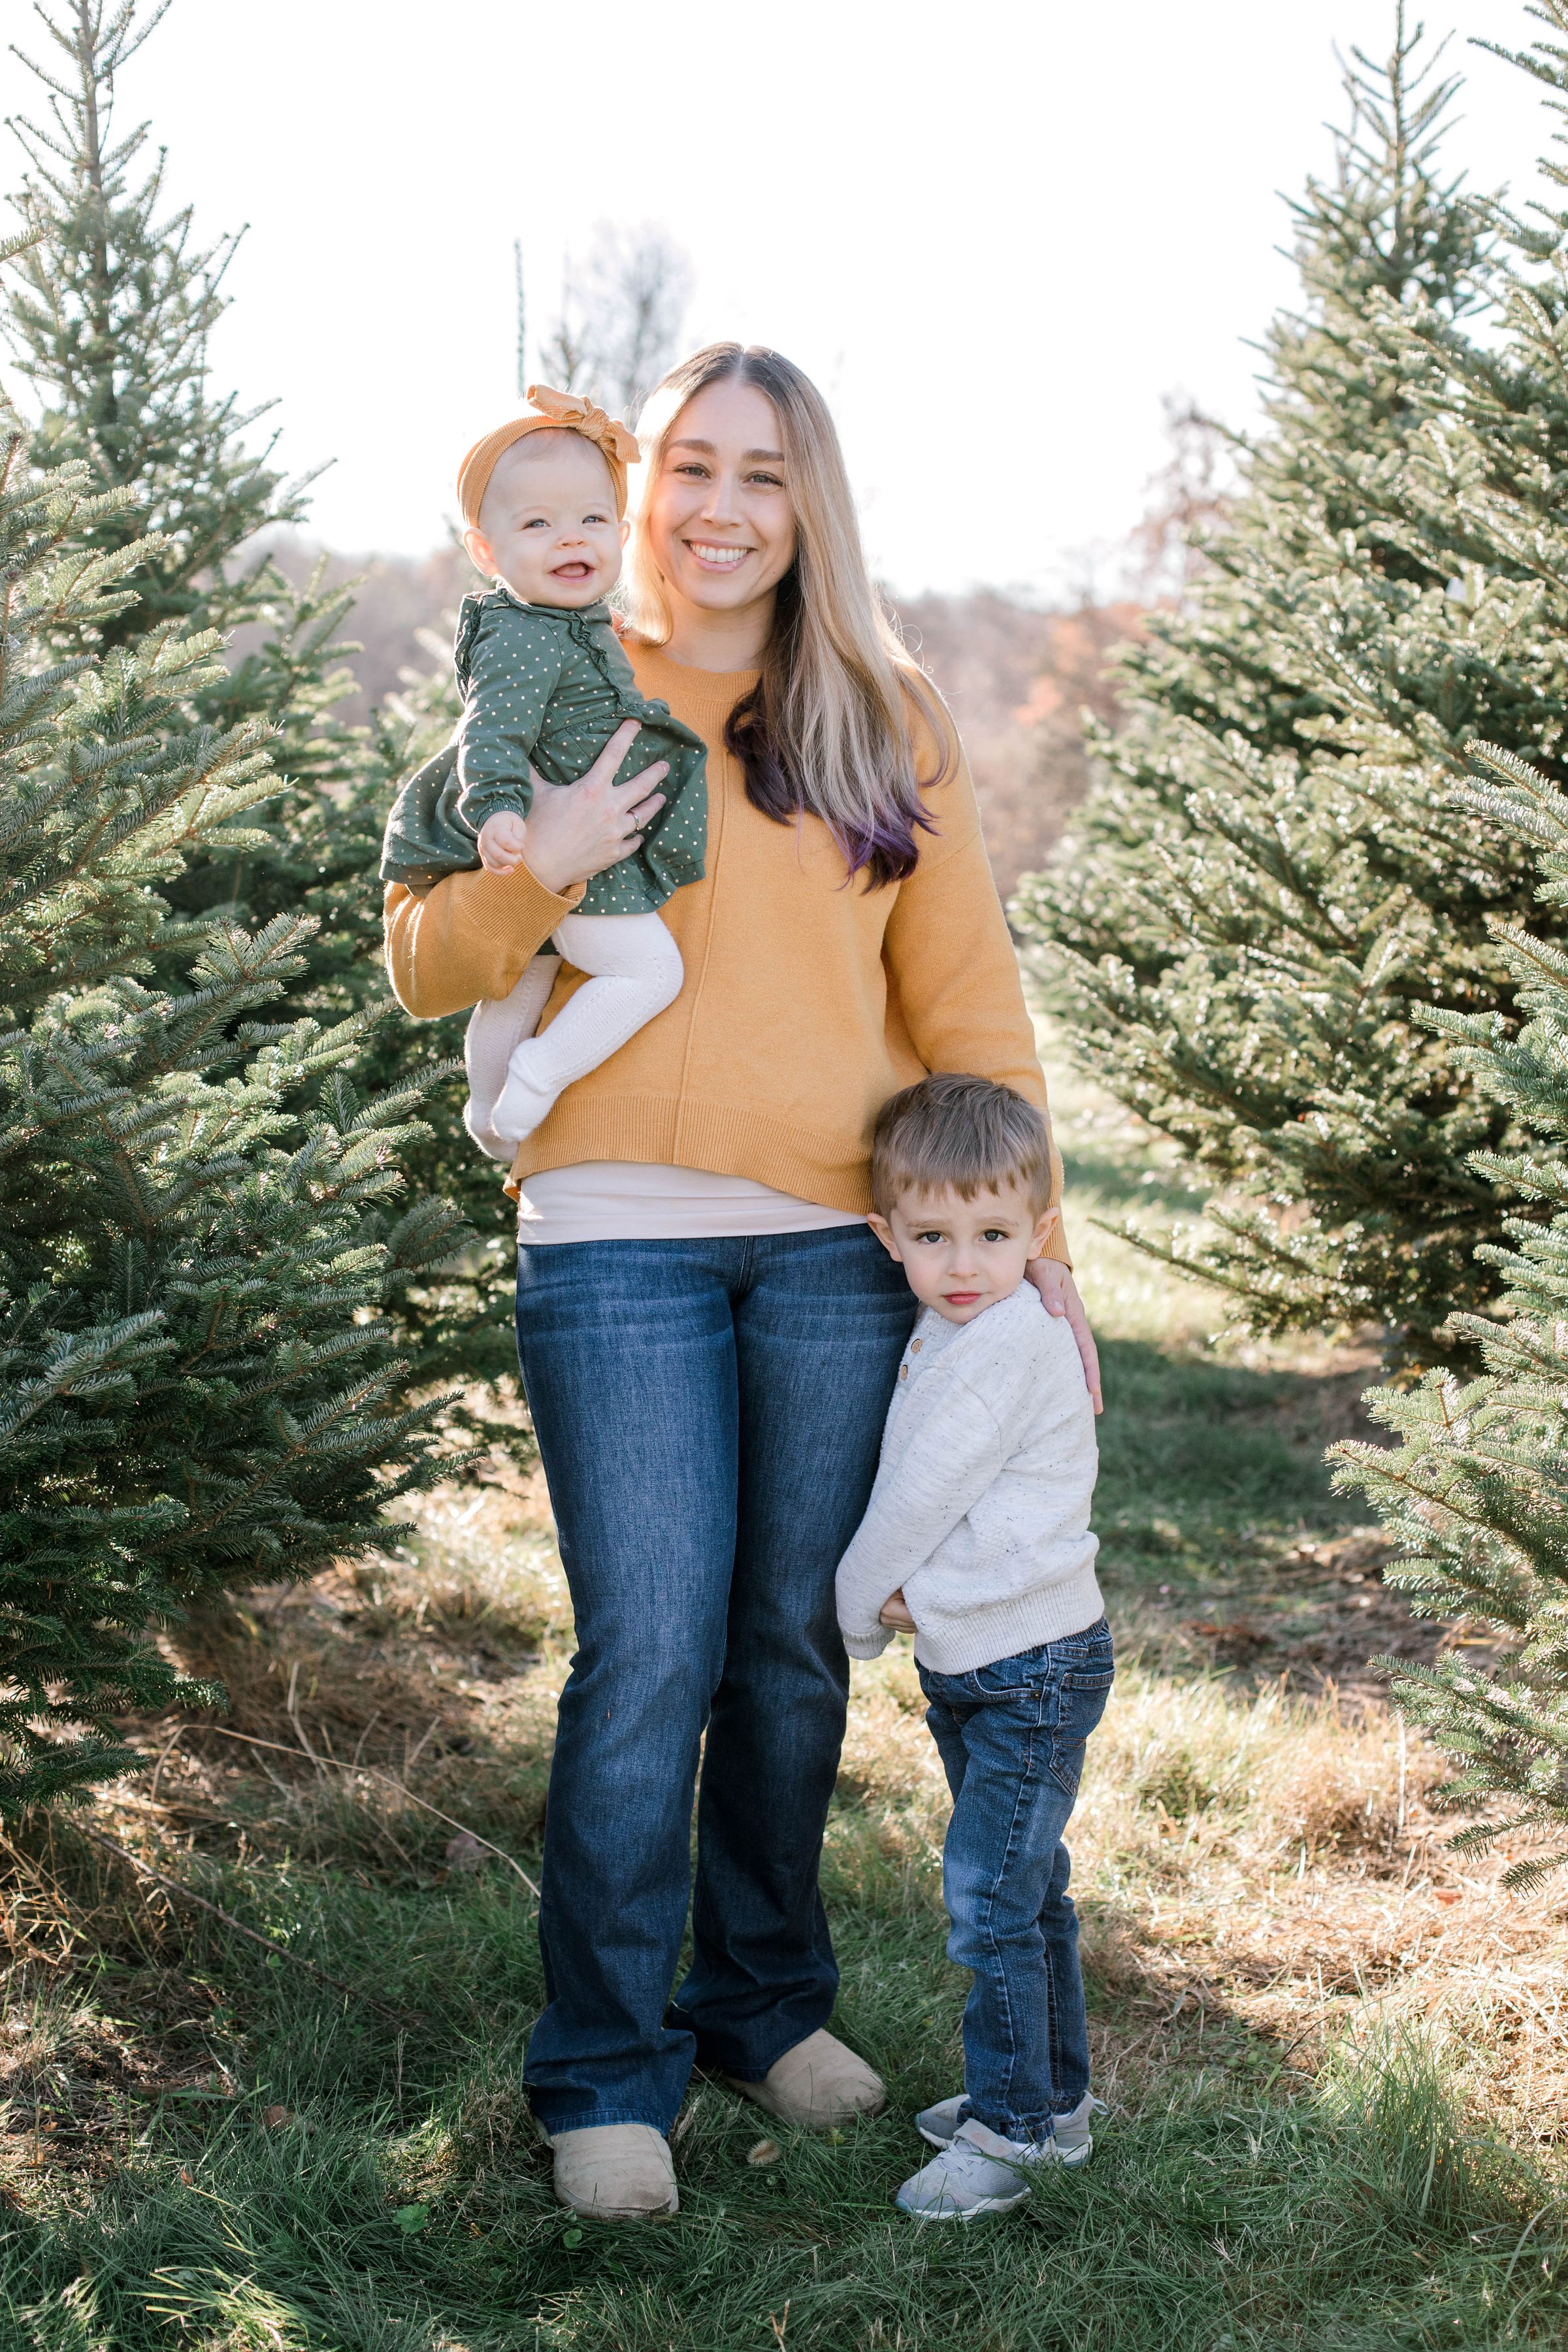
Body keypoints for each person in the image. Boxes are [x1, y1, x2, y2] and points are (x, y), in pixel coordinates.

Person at [384, 342, 1103, 2224]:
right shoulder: (557, 675)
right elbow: (426, 962)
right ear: (640, 492)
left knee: (789, 1650)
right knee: (648, 1654)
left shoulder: (882, 710)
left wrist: (1044, 1249)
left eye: (761, 474)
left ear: (809, 503)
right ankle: (605, 2070)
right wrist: (542, 870)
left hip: (831, 1249)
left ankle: (761, 2001)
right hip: (610, 1237)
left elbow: (964, 1003)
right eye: (690, 465)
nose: (716, 506)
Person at [835, 1073, 1112, 2222]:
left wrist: (855, 1605)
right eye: (934, 1237)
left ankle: (1009, 2132)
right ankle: (1055, 2104)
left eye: (995, 1236)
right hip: (990, 1659)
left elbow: (918, 1495)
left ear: (1040, 1235)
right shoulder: (959, 1321)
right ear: (885, 1236)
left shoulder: (1003, 1341)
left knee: (992, 1901)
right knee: (1031, 1889)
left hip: (1029, 1667)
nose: (964, 1264)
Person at [379, 384, 708, 1154]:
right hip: (572, 850)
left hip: (553, 836)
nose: (571, 540)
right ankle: (535, 1077)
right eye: (538, 524)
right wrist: (495, 808)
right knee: (647, 974)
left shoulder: (566, 624)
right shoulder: (523, 638)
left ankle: (487, 1111)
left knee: (523, 979)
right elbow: (487, 729)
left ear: (622, 532)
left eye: (592, 520)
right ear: (486, 551)